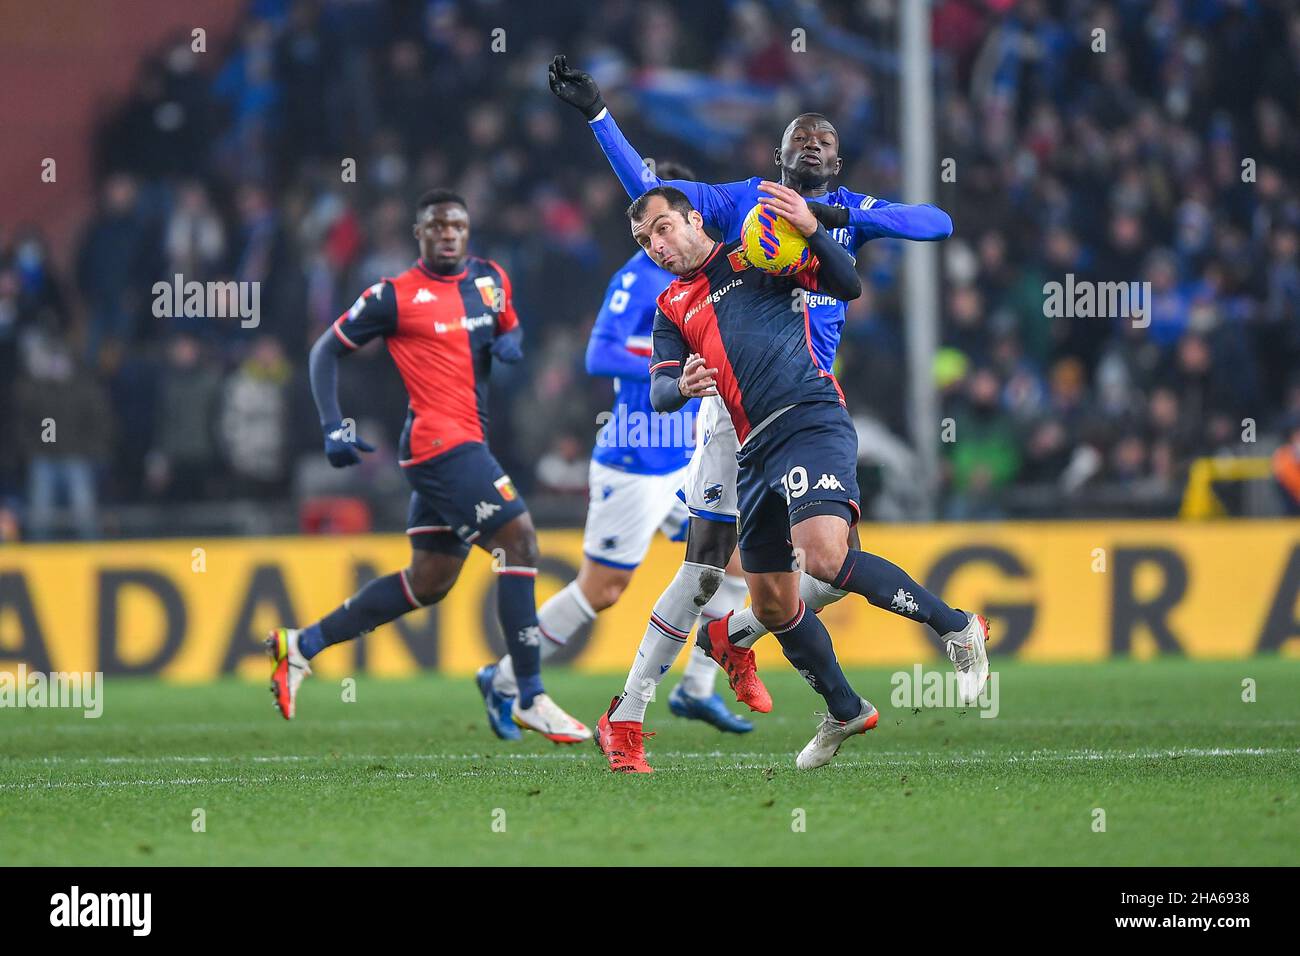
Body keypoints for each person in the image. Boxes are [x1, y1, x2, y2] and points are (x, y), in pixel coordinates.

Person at [547, 56, 982, 759]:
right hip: (732, 406)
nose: (812, 144)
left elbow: (935, 222)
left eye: (825, 142)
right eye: (799, 138)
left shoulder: (846, 214)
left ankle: (733, 640)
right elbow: (655, 203)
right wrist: (600, 116)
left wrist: (823, 218)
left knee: (816, 568)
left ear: (837, 163)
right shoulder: (743, 204)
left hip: (808, 398)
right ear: (779, 156)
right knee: (712, 566)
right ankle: (644, 703)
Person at [267, 189, 590, 744]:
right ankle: (529, 694)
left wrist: (511, 342)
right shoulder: (394, 296)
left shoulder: (491, 278)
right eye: (437, 226)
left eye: (457, 226)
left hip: (466, 443)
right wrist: (331, 424)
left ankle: (300, 646)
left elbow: (509, 326)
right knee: (522, 542)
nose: (448, 234)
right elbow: (325, 351)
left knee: (430, 580)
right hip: (440, 445)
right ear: (419, 235)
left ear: (468, 232)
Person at [478, 161, 754, 739]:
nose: (662, 239)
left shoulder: (709, 274)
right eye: (654, 228)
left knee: (733, 566)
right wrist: (670, 369)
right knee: (602, 590)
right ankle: (503, 679)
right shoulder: (638, 278)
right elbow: (598, 356)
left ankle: (696, 690)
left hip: (683, 458)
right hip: (634, 457)